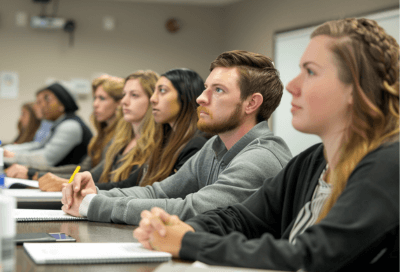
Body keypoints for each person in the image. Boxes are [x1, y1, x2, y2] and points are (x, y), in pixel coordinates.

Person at [135, 18, 399, 271]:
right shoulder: (312, 161)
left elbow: (308, 259)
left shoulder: (387, 165)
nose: (293, 86)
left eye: (310, 71)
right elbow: (241, 218)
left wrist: (187, 241)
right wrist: (180, 229)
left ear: (355, 87)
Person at [61, 50, 292, 226]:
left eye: (218, 90)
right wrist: (95, 194)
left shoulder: (261, 157)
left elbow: (192, 209)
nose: (202, 98)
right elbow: (159, 192)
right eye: (205, 88)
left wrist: (95, 205)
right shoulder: (215, 145)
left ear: (252, 103)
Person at [39, 71, 158, 191]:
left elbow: (130, 186)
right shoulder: (120, 140)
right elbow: (92, 173)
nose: (124, 102)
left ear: (152, 100)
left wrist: (65, 183)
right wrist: (38, 174)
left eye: (134, 95)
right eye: (124, 95)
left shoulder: (155, 143)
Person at [95, 68, 209, 190]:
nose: (153, 99)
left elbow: (165, 195)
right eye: (155, 92)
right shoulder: (165, 139)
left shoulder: (196, 144)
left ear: (184, 97)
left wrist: (95, 195)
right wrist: (91, 190)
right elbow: (131, 184)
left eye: (162, 91)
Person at [8, 75, 124, 185]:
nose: (95, 104)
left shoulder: (71, 126)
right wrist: (33, 172)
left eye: (102, 98)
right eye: (95, 98)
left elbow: (95, 175)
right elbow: (82, 169)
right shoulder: (102, 136)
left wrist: (32, 173)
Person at [4, 83, 93, 169]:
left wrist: (13, 156)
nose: (42, 105)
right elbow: (39, 146)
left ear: (62, 105)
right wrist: (7, 151)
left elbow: (46, 159)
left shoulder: (70, 126)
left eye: (47, 99)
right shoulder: (59, 124)